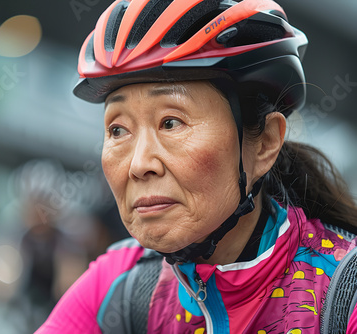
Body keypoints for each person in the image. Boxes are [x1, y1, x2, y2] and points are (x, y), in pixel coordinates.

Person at [36, 0, 357, 333]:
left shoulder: (344, 296)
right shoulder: (119, 284)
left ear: (264, 144)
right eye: (118, 129)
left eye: (171, 123)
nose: (139, 164)